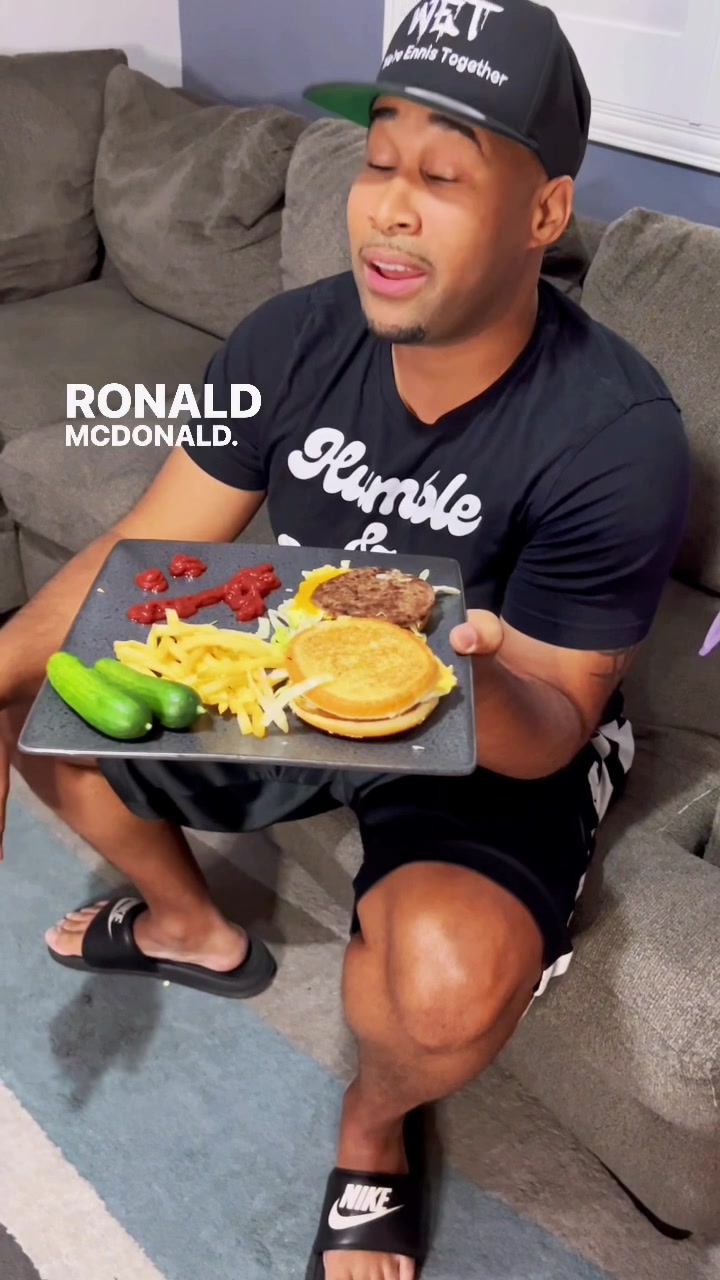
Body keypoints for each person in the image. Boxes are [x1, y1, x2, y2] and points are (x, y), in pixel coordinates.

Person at [0, 2, 690, 1277]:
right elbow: (148, 547)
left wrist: (471, 674)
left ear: (543, 213)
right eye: (379, 162)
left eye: (443, 177)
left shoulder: (617, 432)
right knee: (47, 709)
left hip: (495, 715)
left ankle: (373, 1131)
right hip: (290, 667)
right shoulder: (289, 339)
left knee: (443, 984)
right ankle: (188, 926)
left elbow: (555, 719)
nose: (388, 209)